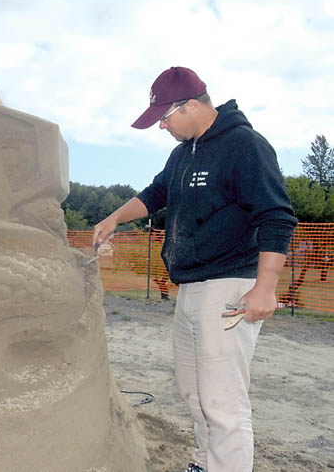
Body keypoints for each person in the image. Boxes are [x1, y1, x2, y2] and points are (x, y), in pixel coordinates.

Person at [92, 67, 297, 472]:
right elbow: (156, 193)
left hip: (230, 283)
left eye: (165, 118)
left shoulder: (244, 145)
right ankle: (206, 462)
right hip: (192, 287)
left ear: (188, 105)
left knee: (222, 399)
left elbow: (277, 216)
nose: (162, 126)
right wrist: (115, 217)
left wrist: (265, 288)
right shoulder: (184, 152)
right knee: (195, 392)